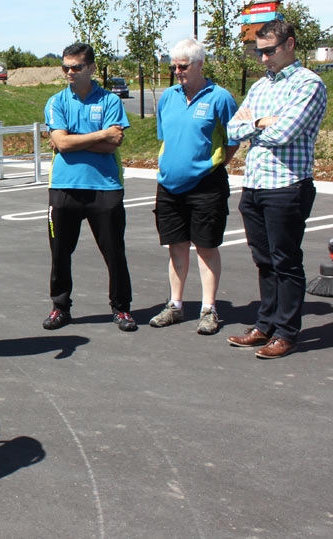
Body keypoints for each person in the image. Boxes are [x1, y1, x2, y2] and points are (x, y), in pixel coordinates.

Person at [227, 20, 327, 359]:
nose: (263, 58)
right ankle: (265, 325)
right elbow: (232, 128)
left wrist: (255, 128)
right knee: (264, 261)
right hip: (254, 184)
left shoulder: (308, 84)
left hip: (286, 185)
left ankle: (286, 332)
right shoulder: (259, 88)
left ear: (290, 45)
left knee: (286, 261)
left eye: (269, 50)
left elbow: (284, 133)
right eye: (259, 51)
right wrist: (258, 122)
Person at [42, 42, 137, 333]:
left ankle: (121, 309)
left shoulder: (110, 101)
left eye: (76, 67)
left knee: (114, 252)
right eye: (65, 68)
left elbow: (112, 146)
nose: (70, 72)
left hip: (104, 188)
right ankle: (60, 307)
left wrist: (72, 141)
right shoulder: (57, 102)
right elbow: (62, 143)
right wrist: (96, 136)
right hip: (64, 188)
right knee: (60, 253)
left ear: (92, 68)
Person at [149, 38, 239, 335]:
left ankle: (208, 309)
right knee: (176, 246)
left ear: (200, 64)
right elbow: (165, 138)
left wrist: (209, 166)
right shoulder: (168, 97)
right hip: (170, 186)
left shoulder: (220, 97)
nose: (176, 71)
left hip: (206, 186)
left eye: (183, 66)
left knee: (206, 247)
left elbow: (232, 141)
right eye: (173, 65)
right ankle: (175, 305)